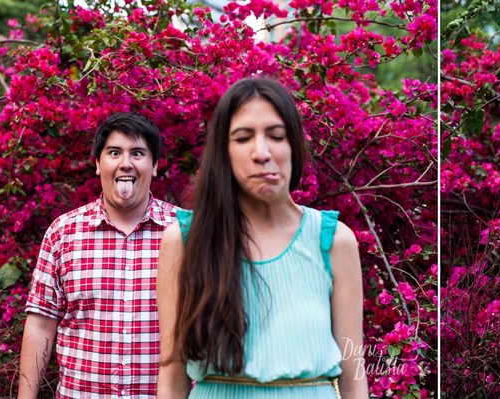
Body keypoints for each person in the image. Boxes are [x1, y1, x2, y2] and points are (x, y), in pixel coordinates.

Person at [155, 77, 369, 399]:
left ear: (294, 145)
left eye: (276, 136)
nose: (261, 152)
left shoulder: (333, 241)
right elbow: (172, 374)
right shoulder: (186, 241)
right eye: (243, 138)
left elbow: (354, 374)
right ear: (224, 153)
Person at [19, 112, 181, 398]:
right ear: (97, 164)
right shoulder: (63, 233)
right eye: (115, 152)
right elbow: (41, 323)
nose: (125, 163)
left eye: (138, 153)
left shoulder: (187, 232)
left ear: (155, 165)